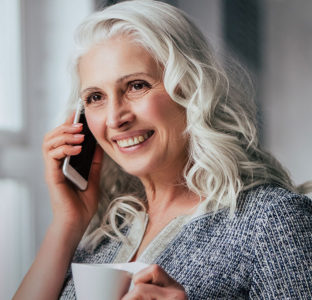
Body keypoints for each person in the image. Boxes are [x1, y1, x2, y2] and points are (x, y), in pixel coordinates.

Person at [14, 0, 312, 299]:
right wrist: (67, 222)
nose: (115, 118)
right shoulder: (105, 232)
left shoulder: (270, 219)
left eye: (136, 86)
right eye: (95, 97)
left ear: (190, 88)